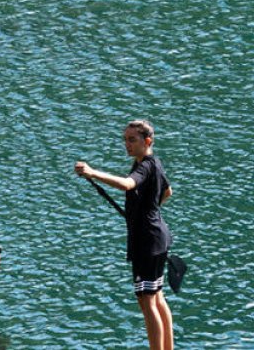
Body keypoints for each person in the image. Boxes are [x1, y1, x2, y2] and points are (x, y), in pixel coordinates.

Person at [76, 119, 175, 350]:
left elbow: (128, 185)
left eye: (132, 140)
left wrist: (93, 172)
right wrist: (147, 210)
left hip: (147, 242)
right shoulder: (154, 164)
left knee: (147, 300)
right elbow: (167, 191)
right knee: (157, 297)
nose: (127, 144)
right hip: (157, 237)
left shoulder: (144, 167)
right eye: (125, 140)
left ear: (147, 141)